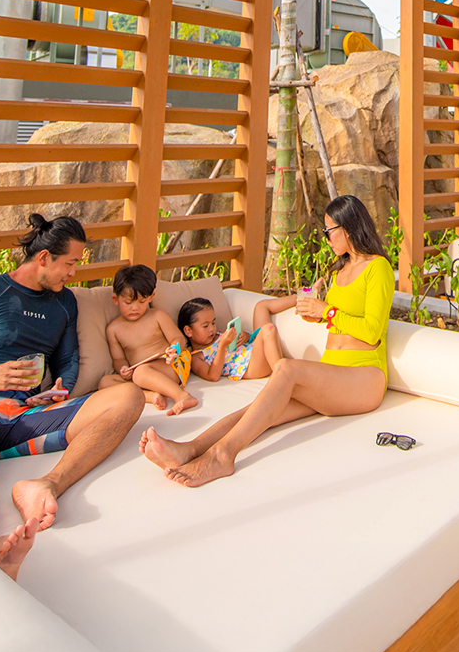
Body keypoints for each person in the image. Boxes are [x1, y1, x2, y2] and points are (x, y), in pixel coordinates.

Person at [0, 214, 143, 577]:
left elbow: (67, 360)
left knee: (129, 397)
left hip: (24, 416)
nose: (73, 273)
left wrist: (60, 388)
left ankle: (45, 484)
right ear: (44, 258)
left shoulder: (64, 303)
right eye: (69, 264)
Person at [140, 195, 394, 487]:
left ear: (348, 228)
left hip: (365, 378)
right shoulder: (341, 270)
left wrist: (328, 311)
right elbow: (342, 320)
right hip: (333, 373)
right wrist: (319, 316)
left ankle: (223, 455)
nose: (326, 238)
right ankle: (189, 449)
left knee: (286, 369)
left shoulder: (378, 268)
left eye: (329, 231)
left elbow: (372, 330)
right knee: (258, 410)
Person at [97, 265, 198, 415]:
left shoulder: (157, 316)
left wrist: (174, 349)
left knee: (141, 373)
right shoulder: (113, 329)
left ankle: (182, 396)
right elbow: (118, 358)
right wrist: (123, 369)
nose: (135, 308)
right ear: (116, 299)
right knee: (105, 383)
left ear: (151, 297)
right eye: (128, 303)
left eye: (142, 302)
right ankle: (152, 396)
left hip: (172, 365)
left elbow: (178, 338)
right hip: (140, 375)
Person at [183, 297, 285, 382]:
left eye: (213, 323)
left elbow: (246, 343)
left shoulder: (218, 335)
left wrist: (246, 337)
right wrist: (222, 346)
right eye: (205, 326)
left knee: (261, 306)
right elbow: (213, 376)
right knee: (268, 329)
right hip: (250, 366)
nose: (212, 329)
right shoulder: (196, 357)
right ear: (188, 331)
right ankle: (282, 377)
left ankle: (299, 297)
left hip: (253, 350)